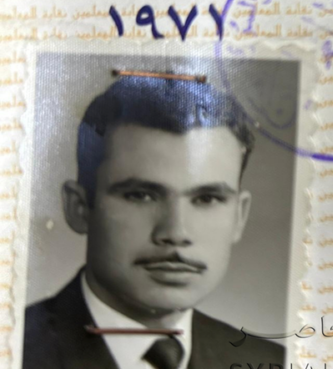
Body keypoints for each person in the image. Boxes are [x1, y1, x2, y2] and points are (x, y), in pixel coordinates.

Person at [23, 74, 284, 369]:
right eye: (141, 195)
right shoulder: (14, 350)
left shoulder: (272, 363)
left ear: (239, 216)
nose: (175, 232)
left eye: (207, 198)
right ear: (79, 208)